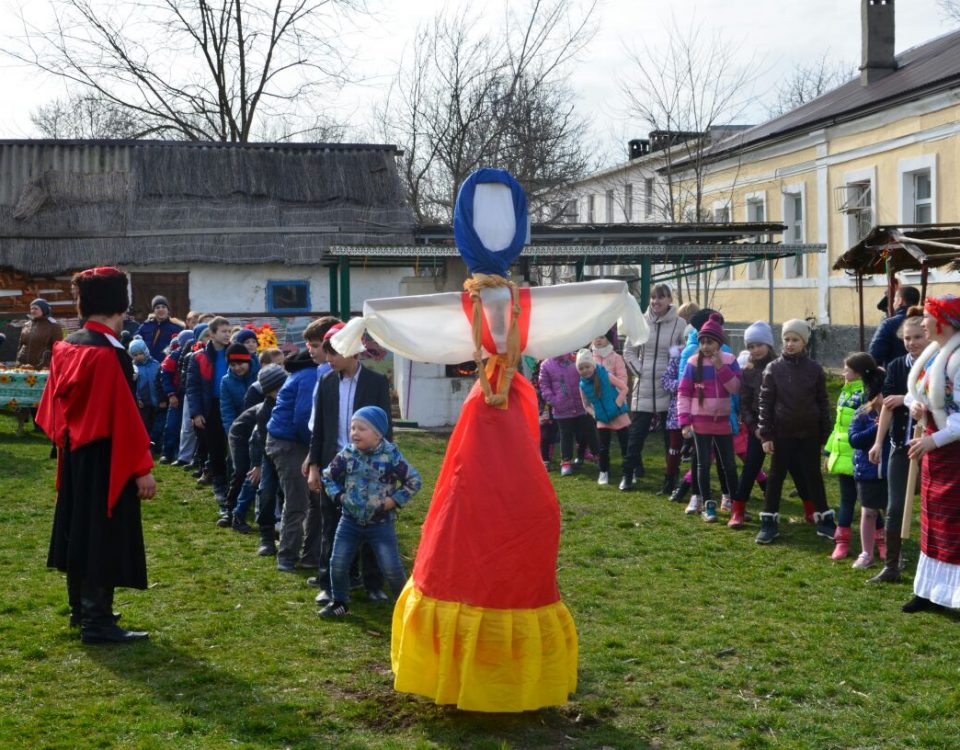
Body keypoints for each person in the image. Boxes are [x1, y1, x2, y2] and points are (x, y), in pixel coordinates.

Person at [330, 168, 647, 711]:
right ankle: (476, 666)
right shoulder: (488, 337)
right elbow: (415, 316)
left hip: (508, 428)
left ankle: (493, 665)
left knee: (511, 512)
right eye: (487, 306)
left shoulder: (515, 361)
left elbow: (583, 297)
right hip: (487, 430)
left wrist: (616, 296)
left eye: (503, 307)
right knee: (473, 513)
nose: (498, 319)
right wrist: (371, 319)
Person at [36, 266, 156, 644]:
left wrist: (67, 441)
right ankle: (97, 622)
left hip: (75, 453)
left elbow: (52, 404)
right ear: (118, 306)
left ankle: (82, 610)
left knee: (79, 530)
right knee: (102, 534)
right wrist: (141, 468)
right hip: (107, 454)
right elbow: (123, 414)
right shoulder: (107, 355)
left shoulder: (67, 344)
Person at [306, 323, 390, 603]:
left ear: (352, 351)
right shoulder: (326, 382)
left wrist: (384, 467)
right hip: (334, 466)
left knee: (371, 525)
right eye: (327, 352)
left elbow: (386, 429)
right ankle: (329, 583)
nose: (328, 359)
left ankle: (373, 584)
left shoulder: (376, 383)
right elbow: (319, 429)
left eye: (334, 352)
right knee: (330, 526)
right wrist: (315, 466)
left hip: (368, 468)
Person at [318, 406, 423, 618]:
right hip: (349, 521)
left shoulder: (391, 456)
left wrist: (393, 501)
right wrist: (340, 497)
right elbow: (327, 476)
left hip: (381, 524)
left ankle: (404, 608)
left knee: (392, 568)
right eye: (352, 427)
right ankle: (340, 602)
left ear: (377, 434)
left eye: (362, 428)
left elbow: (414, 480)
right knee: (338, 563)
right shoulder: (347, 454)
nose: (355, 433)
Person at [901, 295, 960, 613]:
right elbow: (917, 394)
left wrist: (933, 442)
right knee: (933, 522)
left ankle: (954, 595)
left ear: (944, 322)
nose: (922, 323)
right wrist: (917, 408)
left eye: (927, 317)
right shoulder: (935, 353)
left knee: (954, 525)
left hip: (953, 453)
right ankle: (929, 592)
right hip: (934, 448)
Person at [755, 319, 837, 545]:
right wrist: (766, 434)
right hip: (782, 434)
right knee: (776, 478)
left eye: (795, 340)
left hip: (809, 433)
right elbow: (765, 403)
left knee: (813, 476)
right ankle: (769, 521)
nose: (790, 344)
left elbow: (822, 401)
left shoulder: (815, 369)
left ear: (804, 342)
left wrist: (825, 433)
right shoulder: (774, 368)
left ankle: (824, 519)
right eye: (786, 340)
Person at [867, 312, 928, 583]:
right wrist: (879, 442)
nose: (912, 342)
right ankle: (892, 565)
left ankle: (937, 562)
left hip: (932, 446)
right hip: (901, 446)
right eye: (907, 338)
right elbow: (887, 408)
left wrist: (906, 398)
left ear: (929, 335)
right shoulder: (896, 366)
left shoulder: (941, 364)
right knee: (894, 506)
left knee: (932, 505)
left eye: (917, 337)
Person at [621, 284, 688, 492]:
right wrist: (640, 371)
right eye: (653, 298)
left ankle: (671, 478)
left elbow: (683, 352)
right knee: (636, 435)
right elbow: (629, 351)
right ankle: (628, 473)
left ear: (669, 300)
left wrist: (671, 369)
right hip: (644, 390)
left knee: (671, 439)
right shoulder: (640, 321)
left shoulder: (679, 323)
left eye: (661, 298)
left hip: (668, 390)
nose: (656, 302)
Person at [676, 313, 741, 523]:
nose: (705, 346)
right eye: (702, 342)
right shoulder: (693, 363)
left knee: (729, 465)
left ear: (719, 343)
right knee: (703, 464)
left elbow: (736, 388)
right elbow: (684, 393)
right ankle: (707, 504)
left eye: (710, 342)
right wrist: (684, 422)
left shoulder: (730, 361)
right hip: (700, 421)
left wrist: (721, 368)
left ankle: (735, 503)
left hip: (722, 421)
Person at [824, 353, 878, 560]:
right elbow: (838, 427)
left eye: (846, 369)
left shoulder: (867, 395)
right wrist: (829, 452)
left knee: (869, 502)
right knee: (847, 500)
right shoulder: (844, 393)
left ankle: (880, 541)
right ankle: (842, 543)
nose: (843, 372)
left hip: (861, 458)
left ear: (858, 373)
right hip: (842, 455)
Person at [727, 321, 777, 529]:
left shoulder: (779, 367)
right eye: (751, 346)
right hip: (758, 429)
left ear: (769, 344)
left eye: (759, 345)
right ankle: (737, 510)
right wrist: (754, 427)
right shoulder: (747, 371)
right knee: (750, 468)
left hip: (781, 427)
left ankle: (813, 511)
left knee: (797, 470)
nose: (755, 350)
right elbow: (745, 404)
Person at [847, 367, 890, 570]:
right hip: (867, 471)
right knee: (868, 512)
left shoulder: (899, 415)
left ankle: (892, 553)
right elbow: (854, 440)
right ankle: (867, 553)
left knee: (892, 513)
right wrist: (877, 427)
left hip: (890, 472)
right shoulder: (862, 413)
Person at [186, 316, 232, 504]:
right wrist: (196, 413)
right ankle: (219, 484)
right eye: (223, 331)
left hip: (231, 404)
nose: (227, 335)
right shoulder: (199, 357)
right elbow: (193, 387)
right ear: (211, 334)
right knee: (215, 447)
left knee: (234, 446)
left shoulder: (235, 353)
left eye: (229, 331)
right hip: (211, 405)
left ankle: (233, 483)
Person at [538, 352, 599, 477]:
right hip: (562, 408)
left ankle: (598, 456)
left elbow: (589, 372)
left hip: (582, 404)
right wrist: (553, 401)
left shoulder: (575, 358)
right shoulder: (546, 364)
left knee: (590, 431)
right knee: (566, 435)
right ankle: (566, 462)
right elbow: (544, 385)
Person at [576, 348, 629, 486]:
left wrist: (617, 404)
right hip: (602, 418)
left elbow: (624, 388)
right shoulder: (582, 385)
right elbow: (585, 404)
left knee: (625, 445)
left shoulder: (606, 375)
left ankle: (629, 472)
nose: (585, 370)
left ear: (593, 366)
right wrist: (595, 414)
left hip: (618, 414)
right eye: (581, 368)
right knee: (603, 447)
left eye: (587, 366)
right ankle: (603, 471)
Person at [248, 364, 287, 552]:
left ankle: (289, 536)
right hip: (270, 456)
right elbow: (262, 443)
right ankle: (266, 536)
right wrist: (260, 464)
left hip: (292, 455)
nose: (278, 393)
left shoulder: (293, 402)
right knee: (266, 493)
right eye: (274, 390)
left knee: (289, 495)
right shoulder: (264, 412)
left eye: (281, 388)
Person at [15, 298, 64, 435]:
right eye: (31, 308)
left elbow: (58, 347)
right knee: (26, 394)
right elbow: (21, 344)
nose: (33, 310)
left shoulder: (53, 326)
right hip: (24, 366)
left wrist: (52, 365)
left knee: (41, 396)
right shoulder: (27, 324)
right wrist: (18, 360)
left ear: (44, 309)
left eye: (36, 308)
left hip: (43, 366)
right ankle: (27, 421)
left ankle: (42, 423)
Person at [158, 329, 194, 464]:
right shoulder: (173, 356)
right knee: (172, 425)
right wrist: (171, 394)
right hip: (177, 394)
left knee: (188, 427)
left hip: (190, 393)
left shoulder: (196, 355)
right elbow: (165, 376)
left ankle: (184, 454)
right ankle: (167, 452)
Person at [869, 285, 921, 367]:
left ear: (900, 300)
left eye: (894, 300)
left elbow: (875, 353)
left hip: (893, 372)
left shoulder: (888, 323)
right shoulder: (925, 321)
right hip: (921, 371)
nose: (893, 303)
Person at [129, 336, 163, 453]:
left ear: (146, 351)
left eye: (140, 353)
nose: (138, 356)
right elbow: (134, 386)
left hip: (156, 400)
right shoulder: (133, 368)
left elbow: (160, 381)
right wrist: (137, 398)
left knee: (158, 424)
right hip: (143, 402)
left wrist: (162, 398)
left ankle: (158, 446)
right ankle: (146, 447)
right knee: (145, 425)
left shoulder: (156, 364)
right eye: (135, 355)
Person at [136, 295, 183, 362]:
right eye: (157, 307)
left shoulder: (176, 328)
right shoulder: (145, 326)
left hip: (166, 365)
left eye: (163, 307)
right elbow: (135, 341)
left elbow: (180, 348)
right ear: (154, 311)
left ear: (168, 310)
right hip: (146, 364)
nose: (161, 309)